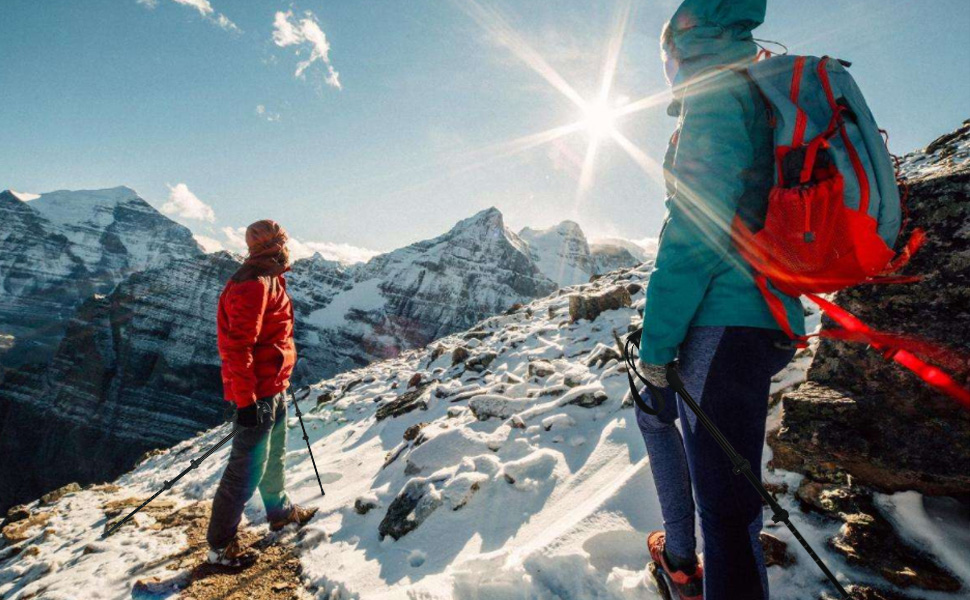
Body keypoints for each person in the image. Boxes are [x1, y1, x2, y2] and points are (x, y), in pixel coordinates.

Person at [635, 1, 805, 598]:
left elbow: (695, 230)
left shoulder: (713, 98)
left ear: (684, 47)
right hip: (760, 313)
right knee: (660, 422)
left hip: (723, 323)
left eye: (667, 54)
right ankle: (681, 560)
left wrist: (656, 343)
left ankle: (686, 566)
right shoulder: (755, 91)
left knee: (728, 514)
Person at [206, 219, 318, 566]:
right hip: (257, 393)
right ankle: (220, 546)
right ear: (275, 245)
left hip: (273, 385)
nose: (288, 247)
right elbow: (237, 347)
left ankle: (280, 513)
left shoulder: (269, 277)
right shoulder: (253, 284)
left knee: (273, 457)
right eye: (284, 241)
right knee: (245, 468)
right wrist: (246, 401)